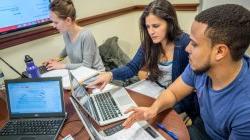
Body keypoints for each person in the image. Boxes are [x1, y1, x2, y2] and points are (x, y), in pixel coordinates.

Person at [122, 4, 250, 140]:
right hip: (202, 126)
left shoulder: (245, 111)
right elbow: (173, 92)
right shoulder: (199, 67)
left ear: (219, 51)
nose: (187, 48)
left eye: (194, 44)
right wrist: (152, 110)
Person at [87, 0, 199, 119]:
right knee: (128, 111)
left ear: (170, 23)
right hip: (154, 90)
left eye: (156, 26)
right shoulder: (149, 43)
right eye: (148, 27)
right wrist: (110, 74)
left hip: (177, 100)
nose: (151, 32)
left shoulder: (184, 43)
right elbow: (132, 67)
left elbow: (189, 85)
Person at [44, 0, 105, 71]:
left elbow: (87, 66)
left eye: (56, 22)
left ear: (68, 20)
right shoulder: (66, 33)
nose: (53, 26)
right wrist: (56, 59)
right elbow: (68, 47)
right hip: (81, 73)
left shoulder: (86, 35)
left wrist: (62, 66)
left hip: (96, 75)